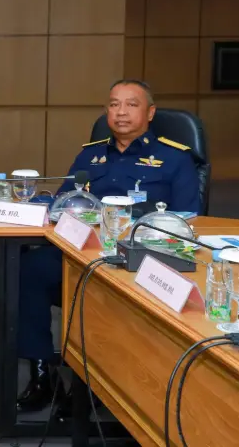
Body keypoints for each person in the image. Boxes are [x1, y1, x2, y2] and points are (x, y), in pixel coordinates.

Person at [16, 79, 202, 416]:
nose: (121, 112)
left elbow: (188, 219)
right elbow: (63, 204)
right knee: (29, 269)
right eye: (115, 104)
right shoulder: (90, 154)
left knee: (106, 292)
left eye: (132, 104)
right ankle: (43, 375)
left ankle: (95, 387)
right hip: (82, 252)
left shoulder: (175, 158)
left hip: (142, 258)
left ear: (150, 113)